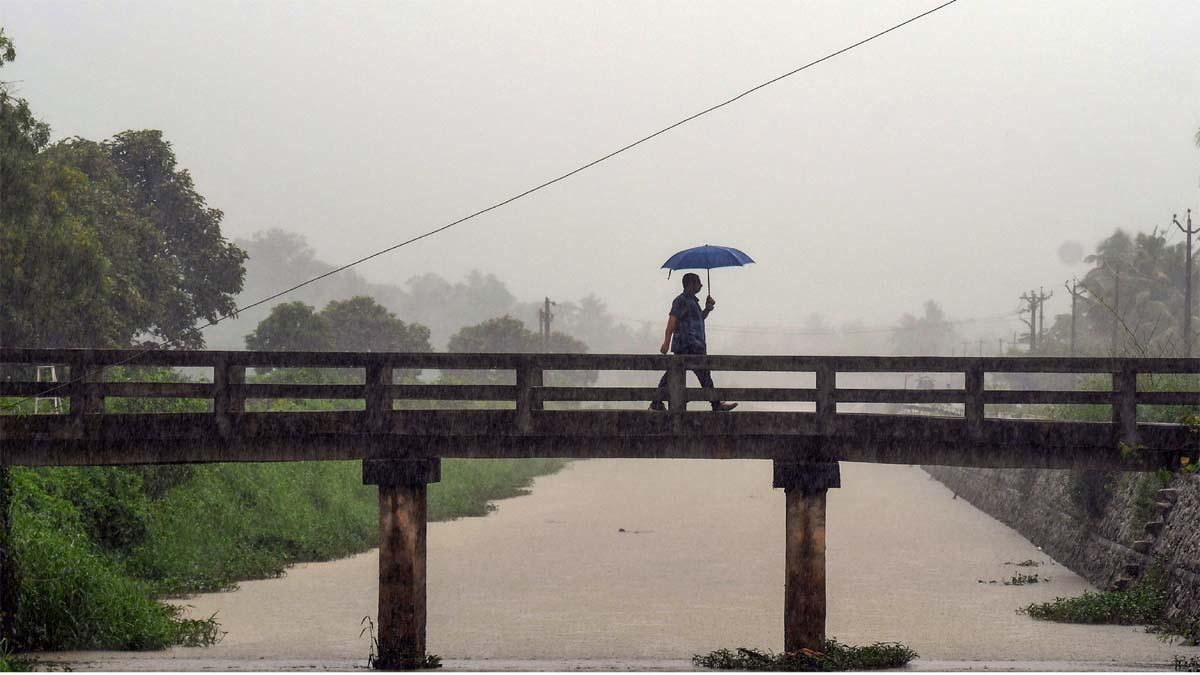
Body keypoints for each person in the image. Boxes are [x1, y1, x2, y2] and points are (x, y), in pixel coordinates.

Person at [649, 272, 737, 412]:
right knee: (691, 375)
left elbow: (699, 318)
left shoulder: (693, 302)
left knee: (677, 374)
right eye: (698, 283)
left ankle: (656, 403)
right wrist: (666, 342)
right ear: (690, 284)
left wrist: (707, 309)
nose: (701, 285)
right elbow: (672, 320)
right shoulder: (681, 300)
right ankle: (716, 405)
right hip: (686, 345)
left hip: (695, 345)